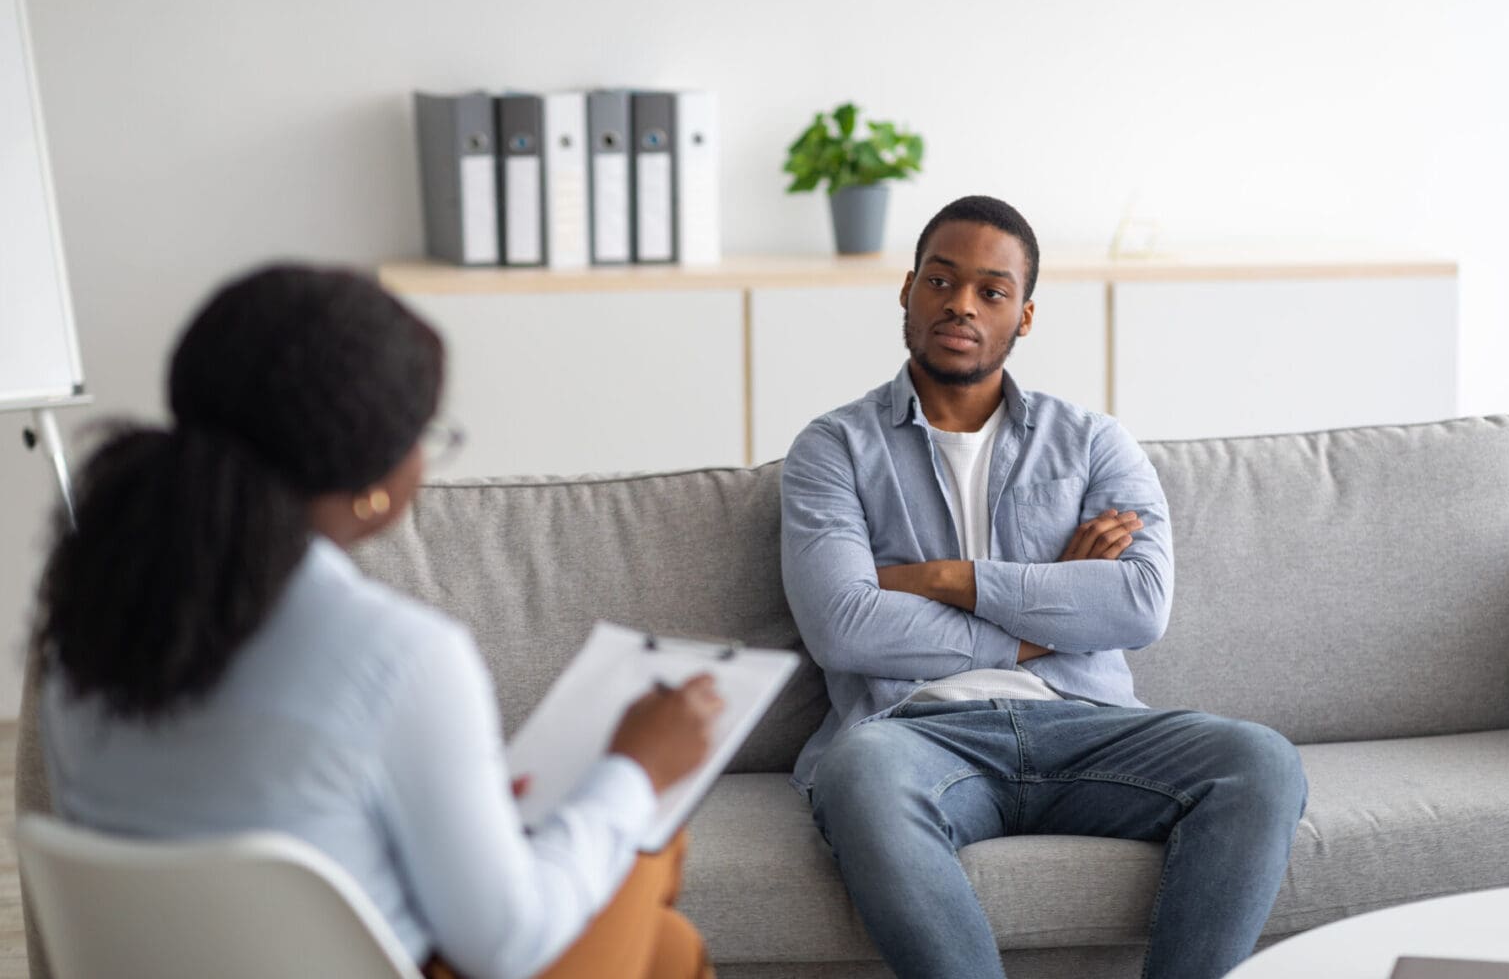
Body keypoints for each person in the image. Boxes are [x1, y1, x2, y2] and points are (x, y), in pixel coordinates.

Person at [34, 265, 721, 979]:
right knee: (645, 843)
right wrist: (634, 771)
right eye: (424, 433)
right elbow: (507, 946)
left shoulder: (87, 626)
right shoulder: (401, 657)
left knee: (666, 950)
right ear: (370, 486)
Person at [780, 196, 1309, 979]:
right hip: (916, 734)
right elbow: (844, 624)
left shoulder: (1095, 442)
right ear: (907, 291)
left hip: (1086, 725)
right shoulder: (834, 449)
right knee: (857, 774)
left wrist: (945, 579)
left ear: (1023, 318)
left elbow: (1137, 605)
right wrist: (1049, 604)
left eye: (992, 291)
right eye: (941, 281)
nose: (961, 304)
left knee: (1260, 761)